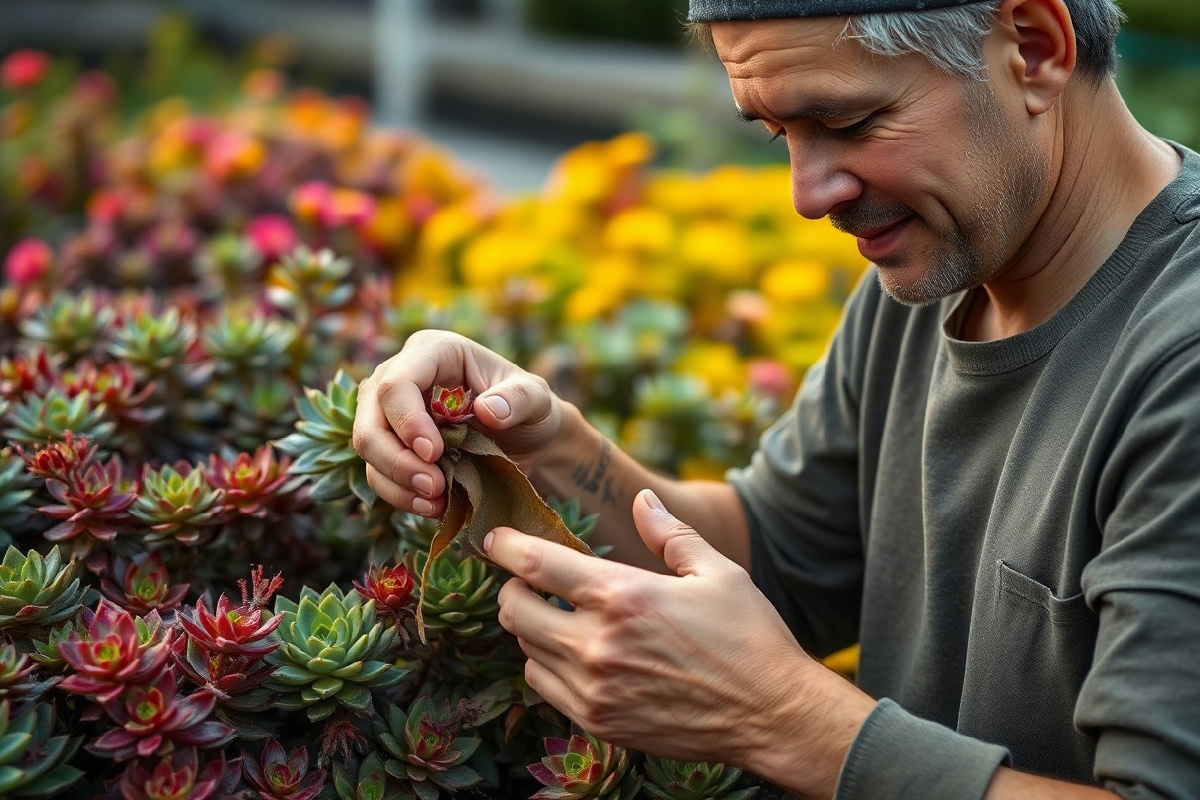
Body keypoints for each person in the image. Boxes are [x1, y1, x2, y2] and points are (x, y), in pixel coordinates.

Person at [352, 0, 1200, 796]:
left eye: (848, 123)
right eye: (779, 133)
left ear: (1035, 47)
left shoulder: (1179, 358)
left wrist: (785, 720)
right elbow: (775, 555)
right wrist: (543, 442)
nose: (807, 193)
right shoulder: (948, 259)